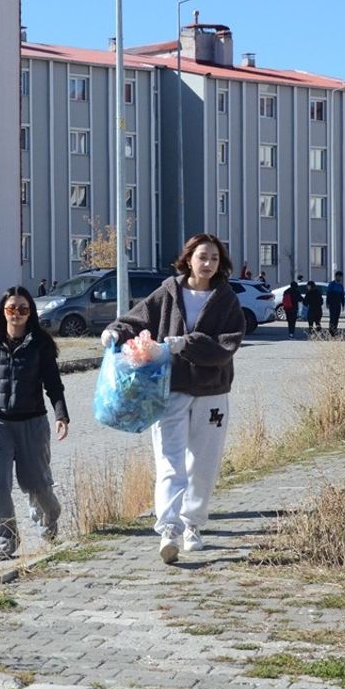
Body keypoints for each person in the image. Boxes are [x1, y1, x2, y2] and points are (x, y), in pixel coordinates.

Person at [101, 233, 246, 564]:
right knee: (169, 460)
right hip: (171, 389)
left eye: (214, 258)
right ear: (189, 259)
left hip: (212, 392)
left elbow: (228, 344)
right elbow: (138, 318)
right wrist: (115, 331)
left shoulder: (227, 299)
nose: (208, 263)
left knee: (203, 463)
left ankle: (193, 525)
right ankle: (168, 531)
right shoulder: (169, 291)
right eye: (202, 257)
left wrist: (187, 344)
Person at [0, 286, 69, 561]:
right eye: (11, 309)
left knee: (37, 484)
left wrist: (61, 414)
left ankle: (48, 519)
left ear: (31, 313)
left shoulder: (40, 344)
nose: (17, 314)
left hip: (33, 423)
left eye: (23, 309)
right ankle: (3, 538)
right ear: (3, 311)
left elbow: (53, 384)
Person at [326, 271, 345, 336]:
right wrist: (327, 303)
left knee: (337, 318)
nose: (339, 277)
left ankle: (335, 330)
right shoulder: (331, 284)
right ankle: (331, 331)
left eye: (340, 276)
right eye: (338, 276)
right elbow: (328, 294)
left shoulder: (341, 286)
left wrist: (343, 304)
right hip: (332, 303)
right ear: (335, 276)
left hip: (338, 304)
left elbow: (342, 295)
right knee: (332, 318)